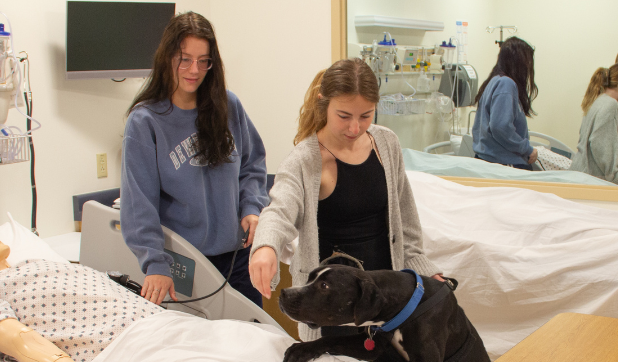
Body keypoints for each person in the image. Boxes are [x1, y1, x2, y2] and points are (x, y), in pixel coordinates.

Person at [0, 222, 345, 362]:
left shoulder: (45, 262)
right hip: (117, 349)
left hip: (159, 322)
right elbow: (21, 342)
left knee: (261, 342)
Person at [247, 58, 445, 342]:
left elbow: (406, 224)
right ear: (323, 102)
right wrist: (265, 247)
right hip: (332, 307)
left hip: (383, 302)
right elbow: (279, 211)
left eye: (366, 115)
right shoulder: (305, 161)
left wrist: (427, 276)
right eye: (344, 116)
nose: (355, 127)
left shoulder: (386, 144)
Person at [121, 12, 268, 307]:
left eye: (204, 60)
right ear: (167, 58)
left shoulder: (228, 106)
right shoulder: (145, 122)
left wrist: (252, 207)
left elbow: (252, 165)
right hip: (183, 264)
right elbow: (139, 205)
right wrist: (155, 263)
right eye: (184, 58)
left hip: (238, 258)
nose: (194, 69)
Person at [569, 63, 618, 186]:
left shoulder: (598, 100)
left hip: (580, 172)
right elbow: (600, 144)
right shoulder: (611, 104)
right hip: (590, 178)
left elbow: (607, 133)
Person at [471, 36, 540, 170]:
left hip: (490, 161)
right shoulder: (506, 84)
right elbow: (500, 126)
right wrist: (527, 149)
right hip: (504, 164)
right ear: (519, 61)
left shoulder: (493, 81)